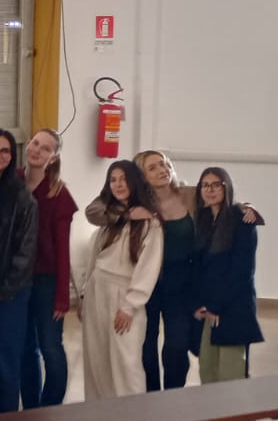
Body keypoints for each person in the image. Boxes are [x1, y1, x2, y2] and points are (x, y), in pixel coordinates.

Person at [125, 150, 264, 393]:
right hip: (146, 283)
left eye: (164, 164)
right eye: (153, 168)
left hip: (182, 283)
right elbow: (97, 210)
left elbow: (221, 201)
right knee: (145, 345)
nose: (162, 170)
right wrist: (126, 212)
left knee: (177, 344)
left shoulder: (189, 194)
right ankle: (149, 398)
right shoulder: (137, 203)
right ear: (143, 176)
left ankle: (173, 398)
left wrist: (246, 207)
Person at [76, 160, 164, 400]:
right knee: (97, 358)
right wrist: (84, 295)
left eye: (123, 179)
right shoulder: (109, 218)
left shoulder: (149, 222)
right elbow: (93, 259)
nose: (118, 184)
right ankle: (101, 417)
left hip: (124, 295)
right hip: (97, 292)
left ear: (134, 181)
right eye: (113, 179)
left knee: (126, 362)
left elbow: (148, 268)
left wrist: (129, 306)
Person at [0, 129, 38, 415]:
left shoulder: (22, 197)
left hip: (8, 293)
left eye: (5, 151)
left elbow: (26, 250)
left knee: (6, 361)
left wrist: (5, 287)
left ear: (13, 157)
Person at [17, 129, 77, 409]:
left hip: (46, 280)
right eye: (35, 143)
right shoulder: (13, 181)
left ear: (53, 157)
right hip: (17, 279)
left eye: (45, 148)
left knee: (51, 348)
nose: (37, 150)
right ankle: (31, 408)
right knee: (25, 348)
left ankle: (50, 408)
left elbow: (63, 251)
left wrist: (62, 296)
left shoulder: (58, 194)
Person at [192, 167, 263, 388]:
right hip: (208, 307)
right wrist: (200, 304)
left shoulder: (241, 220)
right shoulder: (202, 218)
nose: (210, 190)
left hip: (233, 307)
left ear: (227, 187)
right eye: (205, 185)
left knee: (231, 372)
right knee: (208, 367)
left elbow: (242, 271)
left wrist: (217, 306)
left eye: (216, 185)